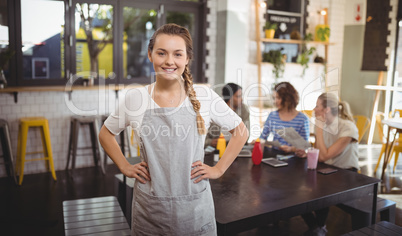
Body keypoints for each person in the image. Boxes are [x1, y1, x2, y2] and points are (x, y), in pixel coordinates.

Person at [99, 23, 248, 236]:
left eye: (177, 54)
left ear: (187, 58)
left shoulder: (204, 96)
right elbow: (105, 133)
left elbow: (240, 131)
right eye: (162, 53)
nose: (169, 61)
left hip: (195, 210)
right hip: (150, 211)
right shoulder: (136, 99)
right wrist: (124, 166)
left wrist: (219, 169)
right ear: (150, 55)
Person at [296, 92, 359, 236]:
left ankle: (319, 227)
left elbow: (324, 156)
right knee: (296, 191)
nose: (314, 109)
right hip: (328, 170)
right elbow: (320, 152)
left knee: (317, 189)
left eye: (317, 106)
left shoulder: (348, 127)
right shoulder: (323, 125)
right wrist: (307, 153)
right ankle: (317, 227)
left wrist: (318, 127)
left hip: (346, 174)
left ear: (327, 110)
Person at [258, 82, 309, 153]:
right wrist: (258, 142)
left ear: (288, 98)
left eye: (278, 98)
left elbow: (304, 146)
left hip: (294, 158)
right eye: (274, 98)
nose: (275, 101)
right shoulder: (272, 116)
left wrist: (291, 149)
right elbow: (262, 138)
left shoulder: (302, 119)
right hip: (274, 157)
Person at [204, 83, 250, 148]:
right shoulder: (216, 110)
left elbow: (246, 134)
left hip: (237, 148)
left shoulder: (244, 110)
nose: (241, 99)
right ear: (230, 98)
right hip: (217, 149)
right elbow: (204, 138)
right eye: (238, 96)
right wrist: (210, 142)